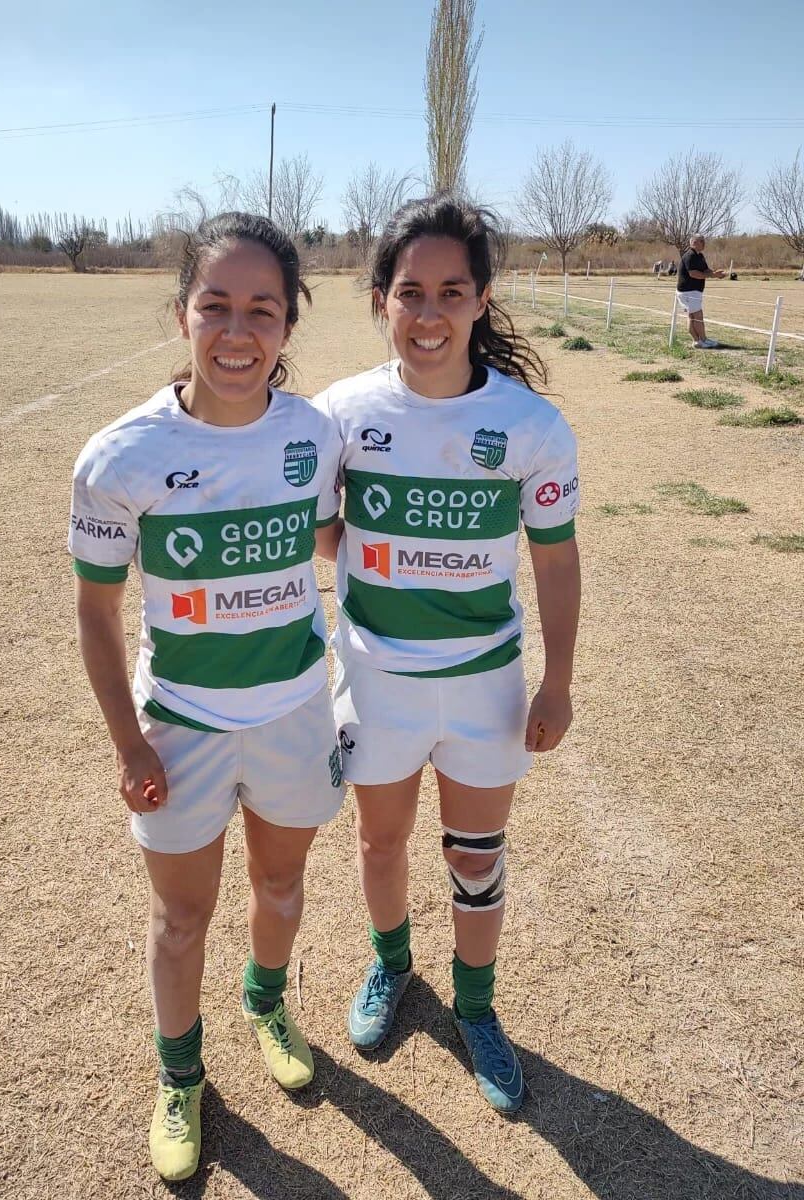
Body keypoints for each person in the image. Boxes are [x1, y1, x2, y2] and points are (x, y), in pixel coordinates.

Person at [69, 213, 345, 1181]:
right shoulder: (118, 457)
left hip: (294, 716)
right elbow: (98, 616)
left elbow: (331, 542)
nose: (239, 333)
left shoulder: (314, 436)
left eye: (262, 310)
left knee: (279, 887)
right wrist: (127, 743)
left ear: (288, 323)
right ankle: (180, 1076)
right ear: (182, 313)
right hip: (180, 729)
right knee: (180, 920)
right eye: (216, 306)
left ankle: (266, 998)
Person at [315, 194, 581, 1114]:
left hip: (484, 686)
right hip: (378, 680)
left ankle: (477, 1010)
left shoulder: (532, 425)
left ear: (482, 299)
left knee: (476, 854)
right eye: (409, 292)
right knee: (379, 840)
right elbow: (321, 526)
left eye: (451, 292)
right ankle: (394, 969)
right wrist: (368, 557)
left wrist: (558, 680)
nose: (428, 314)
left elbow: (554, 551)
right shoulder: (339, 414)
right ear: (380, 299)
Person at [676, 234, 725, 348]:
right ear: (694, 243)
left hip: (693, 291)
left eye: (704, 241)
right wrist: (711, 276)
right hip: (688, 291)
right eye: (701, 241)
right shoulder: (690, 256)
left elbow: (705, 270)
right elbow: (693, 273)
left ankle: (698, 341)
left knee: (693, 316)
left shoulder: (700, 256)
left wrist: (715, 274)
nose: (704, 243)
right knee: (697, 316)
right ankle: (703, 340)